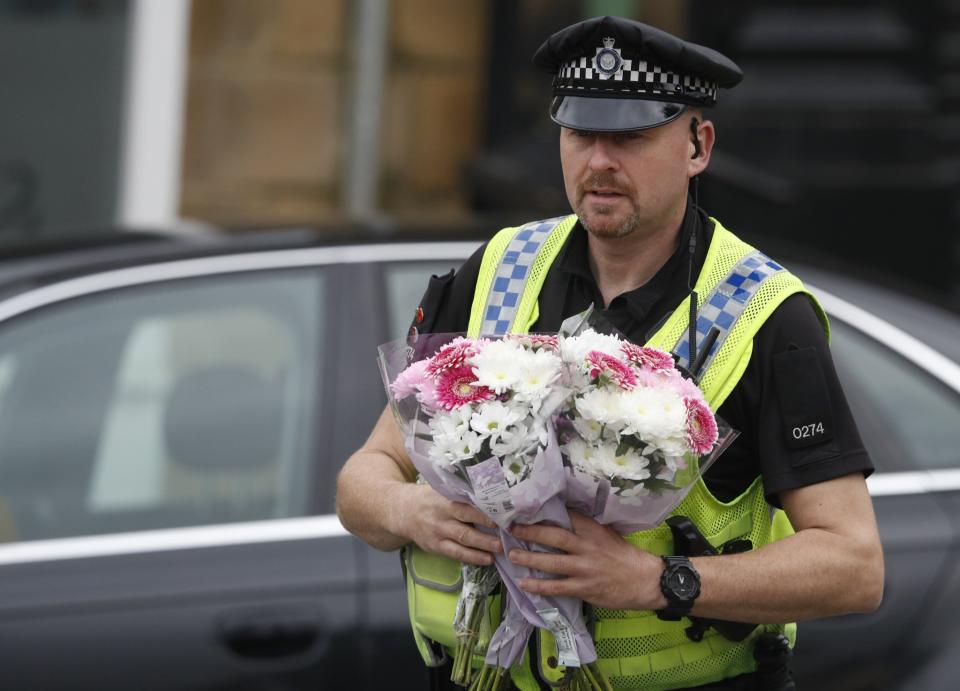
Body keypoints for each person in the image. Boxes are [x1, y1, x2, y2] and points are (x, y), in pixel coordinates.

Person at [337, 15, 883, 691]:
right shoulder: (499, 269)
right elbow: (365, 473)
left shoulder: (767, 315)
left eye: (629, 137)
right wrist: (410, 511)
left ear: (698, 145)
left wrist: (661, 580)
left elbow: (855, 565)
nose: (599, 161)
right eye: (580, 133)